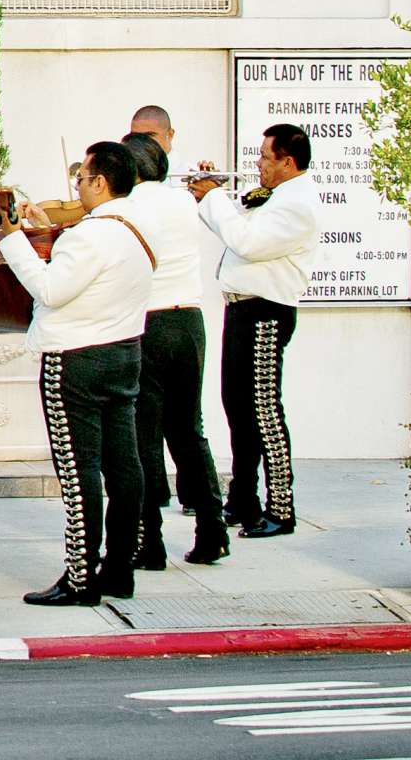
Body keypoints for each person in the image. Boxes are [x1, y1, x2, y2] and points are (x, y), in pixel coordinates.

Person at [1, 140, 154, 606]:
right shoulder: (134, 228)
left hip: (75, 360)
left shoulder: (90, 235)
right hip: (123, 351)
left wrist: (12, 240)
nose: (78, 186)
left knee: (78, 468)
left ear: (100, 182)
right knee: (124, 464)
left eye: (82, 178)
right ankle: (119, 567)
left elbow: (50, 288)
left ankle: (81, 575)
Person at [189, 122, 321, 539]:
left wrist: (213, 197)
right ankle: (243, 497)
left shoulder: (297, 204)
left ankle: (281, 508)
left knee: (264, 411)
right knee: (237, 408)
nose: (258, 164)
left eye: (265, 157)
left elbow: (247, 241)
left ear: (287, 160)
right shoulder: (278, 198)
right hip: (243, 311)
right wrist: (210, 193)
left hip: (266, 312)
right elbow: (236, 226)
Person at [120, 131, 227, 568]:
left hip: (149, 321)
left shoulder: (129, 207)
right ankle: (212, 527)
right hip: (189, 321)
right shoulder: (184, 201)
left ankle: (149, 542)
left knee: (143, 434)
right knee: (187, 431)